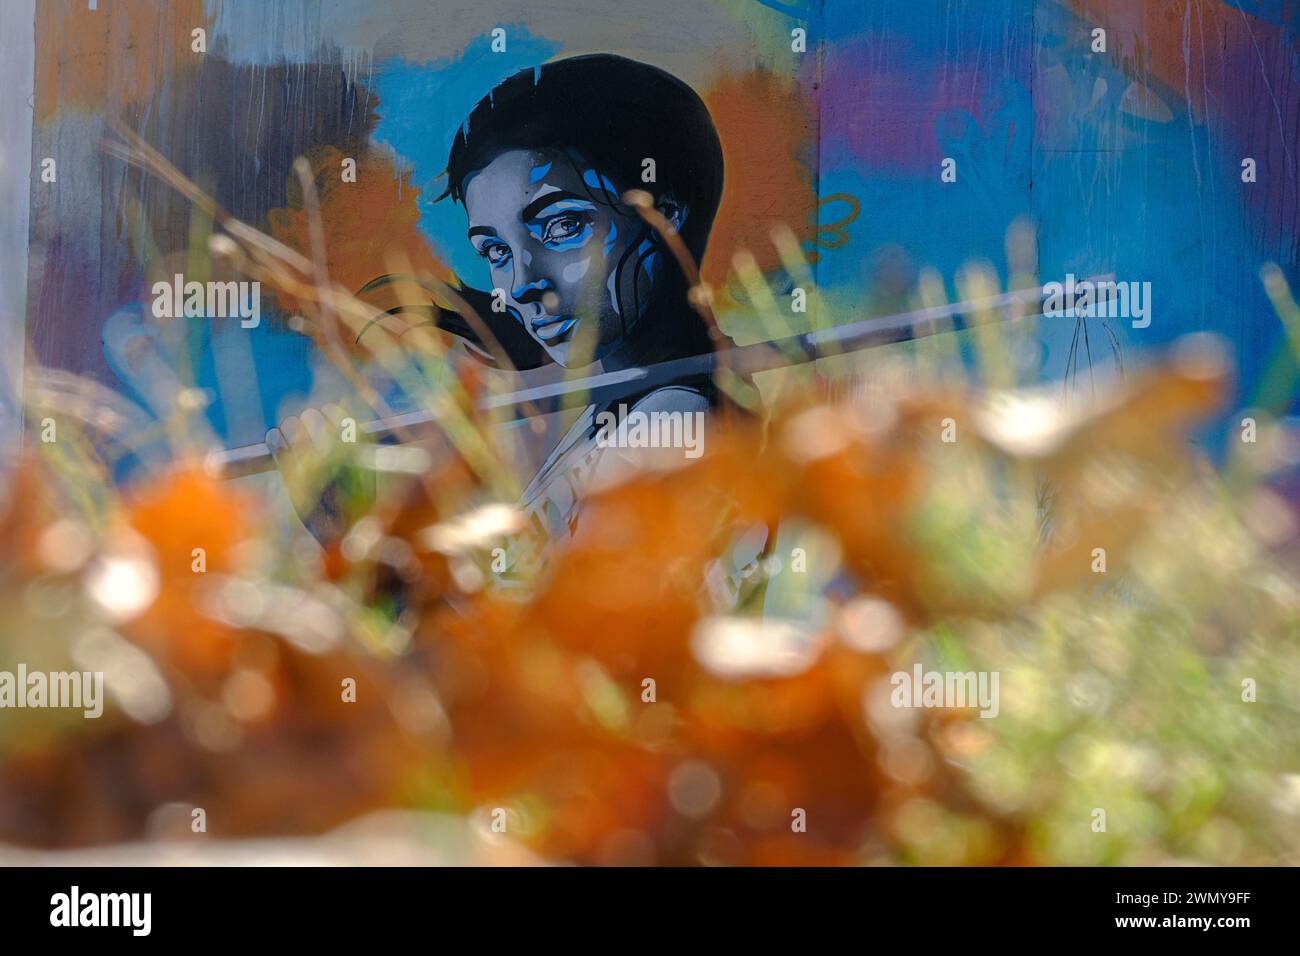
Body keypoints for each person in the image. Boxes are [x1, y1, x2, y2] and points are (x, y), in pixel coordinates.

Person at [270, 55, 748, 565]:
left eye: (562, 226)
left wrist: (354, 536)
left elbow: (546, 631)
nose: (519, 284)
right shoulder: (614, 411)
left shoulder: (675, 420)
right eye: (495, 251)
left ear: (665, 218)